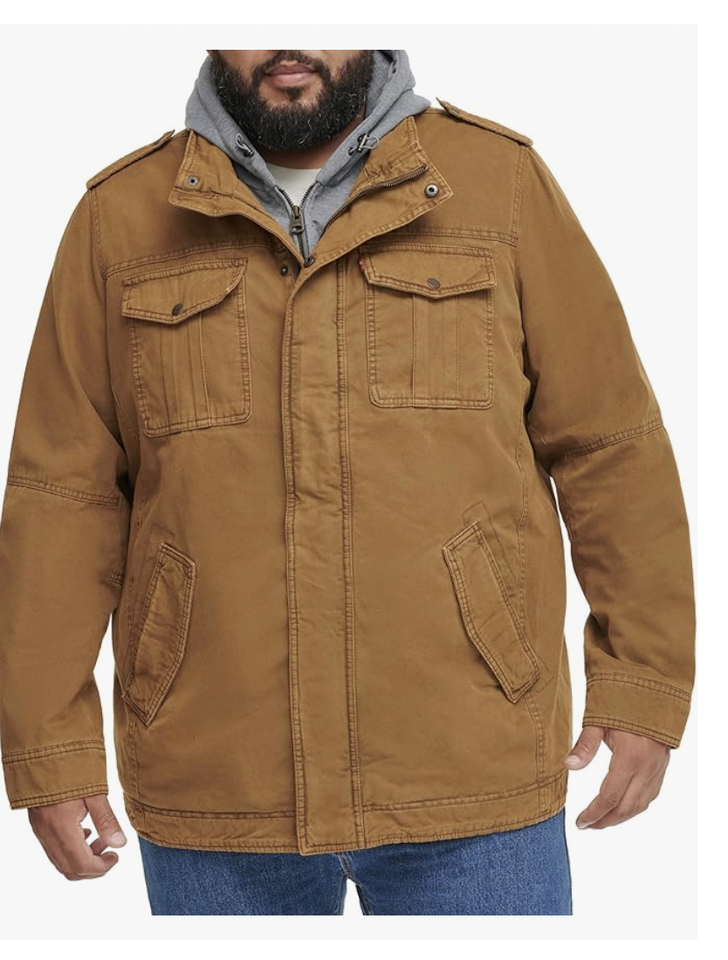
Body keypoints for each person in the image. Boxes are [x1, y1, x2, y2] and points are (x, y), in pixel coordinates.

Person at [0, 49, 695, 916]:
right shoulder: (121, 219)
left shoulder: (500, 186)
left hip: (473, 764)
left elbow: (609, 447)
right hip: (215, 781)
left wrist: (642, 686)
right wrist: (49, 749)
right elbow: (62, 498)